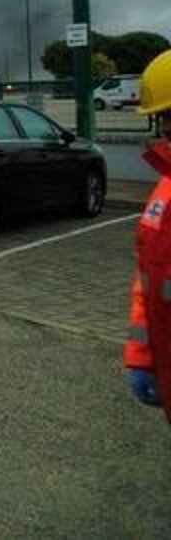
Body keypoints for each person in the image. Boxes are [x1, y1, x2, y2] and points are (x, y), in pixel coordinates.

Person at [125, 49, 171, 415]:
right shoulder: (165, 187)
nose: (166, 131)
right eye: (164, 119)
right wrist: (142, 356)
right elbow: (147, 279)